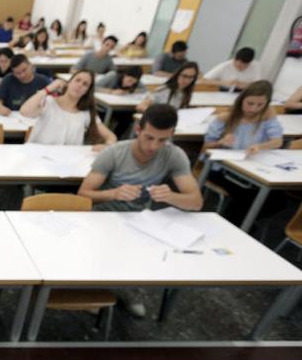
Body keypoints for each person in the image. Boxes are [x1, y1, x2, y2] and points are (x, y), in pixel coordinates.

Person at [77, 105, 203, 317]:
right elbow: (83, 194)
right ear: (138, 129)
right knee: (109, 246)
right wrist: (114, 193)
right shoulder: (115, 153)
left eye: (162, 140)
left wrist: (171, 196)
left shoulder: (174, 155)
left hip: (140, 218)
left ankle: (130, 289)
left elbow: (196, 202)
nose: (154, 146)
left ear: (171, 135)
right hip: (105, 215)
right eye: (149, 137)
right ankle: (94, 286)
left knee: (156, 251)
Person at [203, 81, 283, 223]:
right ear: (241, 100)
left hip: (251, 166)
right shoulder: (226, 117)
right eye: (250, 103)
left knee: (278, 197)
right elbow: (206, 147)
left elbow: (278, 141)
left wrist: (261, 146)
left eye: (260, 105)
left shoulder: (267, 117)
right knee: (247, 194)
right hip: (221, 168)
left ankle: (246, 223)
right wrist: (221, 142)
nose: (254, 109)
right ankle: (234, 225)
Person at [21, 70, 117, 148]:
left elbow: (111, 137)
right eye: (77, 80)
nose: (80, 85)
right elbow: (25, 111)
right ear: (69, 82)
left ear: (87, 91)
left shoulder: (86, 113)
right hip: (38, 158)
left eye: (85, 84)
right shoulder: (48, 102)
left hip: (67, 163)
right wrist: (48, 89)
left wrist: (107, 146)